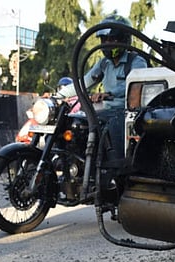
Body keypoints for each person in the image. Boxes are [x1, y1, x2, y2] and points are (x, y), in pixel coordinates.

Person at [58, 15, 147, 158]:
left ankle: (116, 167)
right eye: (104, 40)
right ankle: (77, 164)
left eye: (112, 39)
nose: (107, 43)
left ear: (124, 39)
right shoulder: (104, 63)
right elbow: (85, 82)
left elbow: (134, 85)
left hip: (128, 113)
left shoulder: (136, 61)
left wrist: (109, 93)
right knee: (77, 124)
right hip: (108, 111)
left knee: (113, 124)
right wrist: (59, 95)